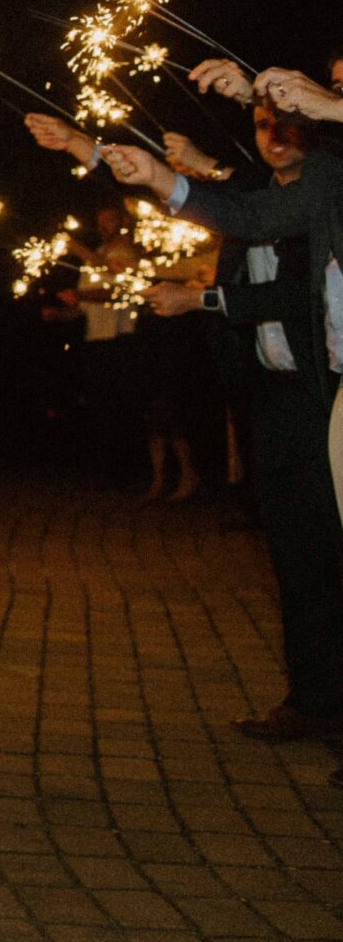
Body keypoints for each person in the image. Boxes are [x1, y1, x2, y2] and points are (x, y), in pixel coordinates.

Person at [134, 104, 343, 742]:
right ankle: (311, 700)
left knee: (332, 553)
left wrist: (202, 298)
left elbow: (292, 290)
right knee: (291, 554)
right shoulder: (254, 196)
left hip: (323, 395)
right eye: (261, 126)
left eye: (286, 124)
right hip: (271, 396)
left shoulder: (324, 195)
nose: (274, 137)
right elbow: (236, 203)